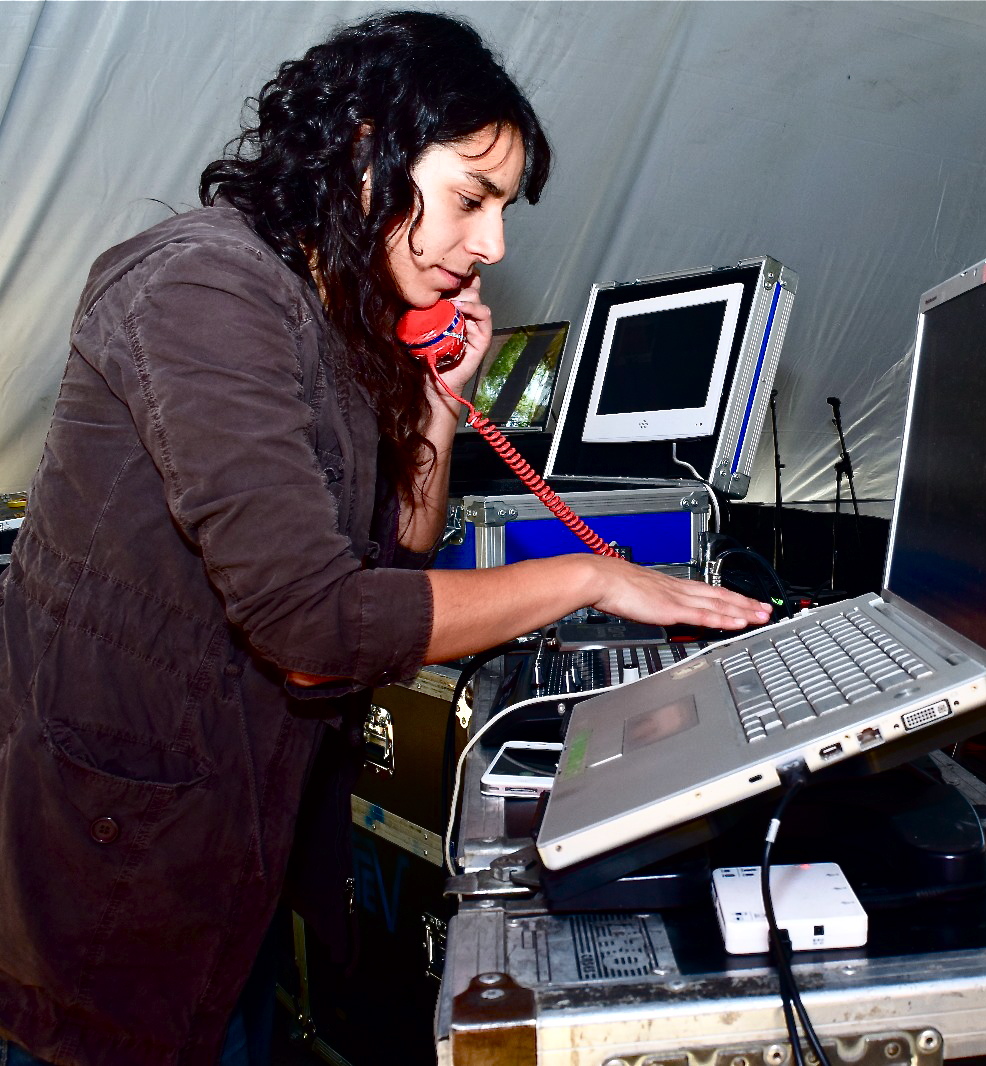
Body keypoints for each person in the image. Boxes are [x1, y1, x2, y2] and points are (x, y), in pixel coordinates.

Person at [0, 13, 769, 1066]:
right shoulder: (203, 289)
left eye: (501, 211)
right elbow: (317, 626)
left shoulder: (332, 318)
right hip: (113, 868)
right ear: (366, 154)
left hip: (230, 841)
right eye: (471, 198)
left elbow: (396, 557)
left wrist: (439, 405)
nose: (493, 245)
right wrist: (588, 575)